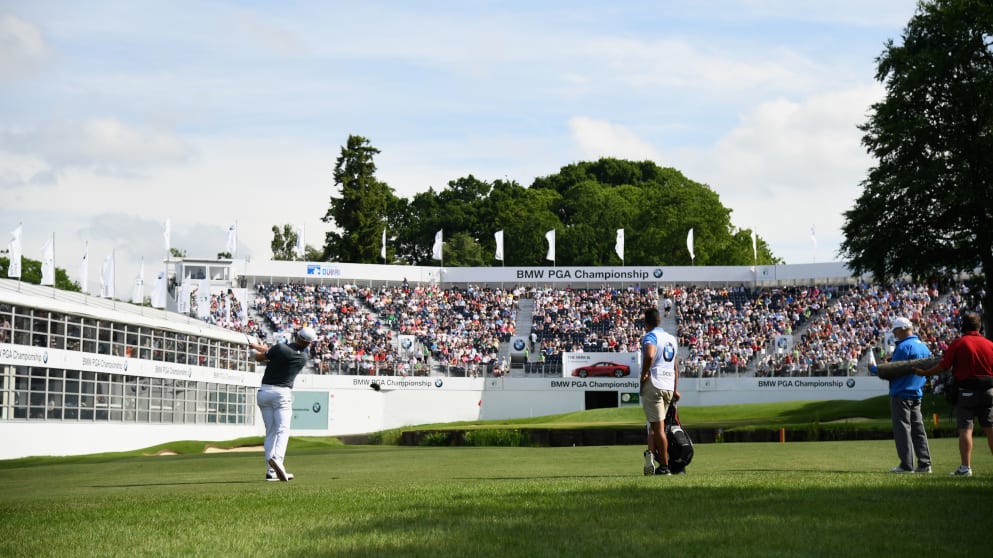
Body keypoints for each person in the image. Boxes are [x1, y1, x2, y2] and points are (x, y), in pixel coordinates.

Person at [916, 311, 993, 476]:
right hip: (989, 391)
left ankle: (965, 468)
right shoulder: (989, 344)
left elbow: (943, 366)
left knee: (966, 430)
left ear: (962, 326)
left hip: (967, 392)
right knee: (990, 429)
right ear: (979, 327)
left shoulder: (959, 343)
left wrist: (924, 373)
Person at [249, 326, 316, 481]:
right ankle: (278, 460)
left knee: (271, 432)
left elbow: (261, 356)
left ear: (297, 336)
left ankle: (271, 472)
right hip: (281, 394)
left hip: (264, 392)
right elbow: (272, 351)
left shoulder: (280, 348)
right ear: (308, 343)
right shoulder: (303, 358)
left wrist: (254, 349)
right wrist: (259, 346)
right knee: (283, 430)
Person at [885, 317, 932, 473]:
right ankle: (925, 464)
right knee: (918, 429)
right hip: (916, 393)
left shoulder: (904, 347)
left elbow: (893, 370)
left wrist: (878, 368)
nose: (895, 334)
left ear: (903, 329)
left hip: (901, 393)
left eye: (896, 330)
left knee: (902, 430)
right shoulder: (924, 347)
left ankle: (906, 465)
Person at [640, 307, 680, 475]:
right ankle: (651, 463)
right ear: (660, 321)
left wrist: (644, 374)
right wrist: (675, 390)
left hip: (655, 383)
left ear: (646, 323)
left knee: (657, 429)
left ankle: (664, 467)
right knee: (656, 426)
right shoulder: (671, 339)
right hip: (668, 385)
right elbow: (676, 367)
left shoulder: (651, 336)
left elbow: (649, 356)